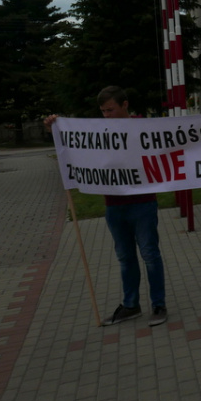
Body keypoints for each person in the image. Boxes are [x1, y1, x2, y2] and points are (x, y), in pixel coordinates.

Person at [46, 86, 168, 327]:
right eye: (103, 111)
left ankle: (158, 304)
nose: (107, 116)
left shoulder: (142, 128)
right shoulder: (99, 132)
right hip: (113, 205)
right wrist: (56, 126)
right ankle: (131, 304)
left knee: (150, 255)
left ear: (125, 105)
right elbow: (78, 146)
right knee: (125, 257)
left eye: (111, 110)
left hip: (142, 203)